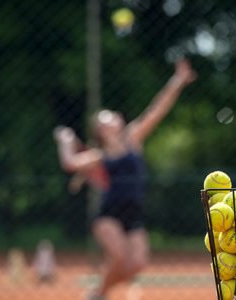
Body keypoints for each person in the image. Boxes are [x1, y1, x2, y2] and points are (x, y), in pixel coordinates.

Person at [53, 58, 197, 300]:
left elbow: (158, 109)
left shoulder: (133, 139)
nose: (113, 119)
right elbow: (70, 163)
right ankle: (99, 295)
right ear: (100, 130)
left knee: (137, 264)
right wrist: (65, 141)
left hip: (134, 212)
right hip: (109, 213)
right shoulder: (99, 156)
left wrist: (178, 81)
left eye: (113, 116)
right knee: (119, 258)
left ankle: (99, 293)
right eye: (105, 119)